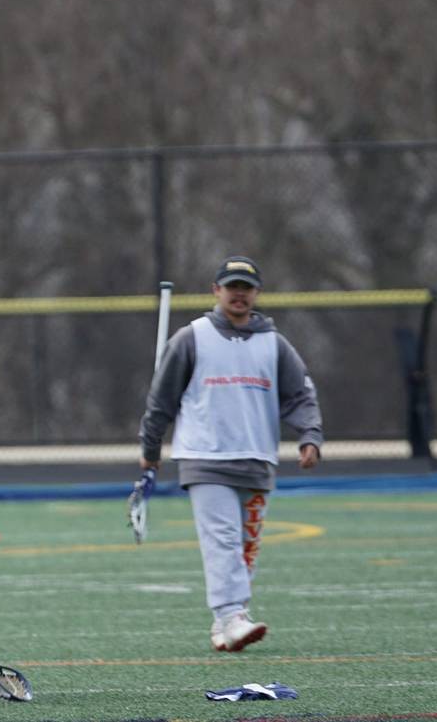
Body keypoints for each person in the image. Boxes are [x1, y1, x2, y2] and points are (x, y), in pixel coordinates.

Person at [139, 255, 324, 652]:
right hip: (205, 458)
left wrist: (310, 436)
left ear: (256, 293)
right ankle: (232, 615)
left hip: (258, 459)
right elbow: (161, 399)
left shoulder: (274, 344)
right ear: (216, 290)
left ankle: (224, 624)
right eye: (232, 287)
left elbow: (300, 395)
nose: (239, 294)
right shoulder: (191, 338)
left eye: (246, 288)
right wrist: (151, 447)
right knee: (222, 539)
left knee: (246, 547)